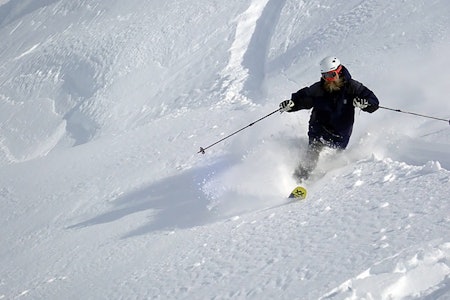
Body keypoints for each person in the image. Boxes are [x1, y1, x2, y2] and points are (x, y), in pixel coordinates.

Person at [279, 56, 379, 182]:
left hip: (340, 133)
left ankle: (320, 183)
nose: (329, 79)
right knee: (312, 153)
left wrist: (366, 104)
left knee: (333, 161)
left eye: (332, 75)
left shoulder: (352, 87)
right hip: (318, 128)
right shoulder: (319, 88)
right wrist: (292, 105)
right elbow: (303, 99)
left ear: (339, 70)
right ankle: (298, 180)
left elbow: (373, 102)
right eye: (325, 76)